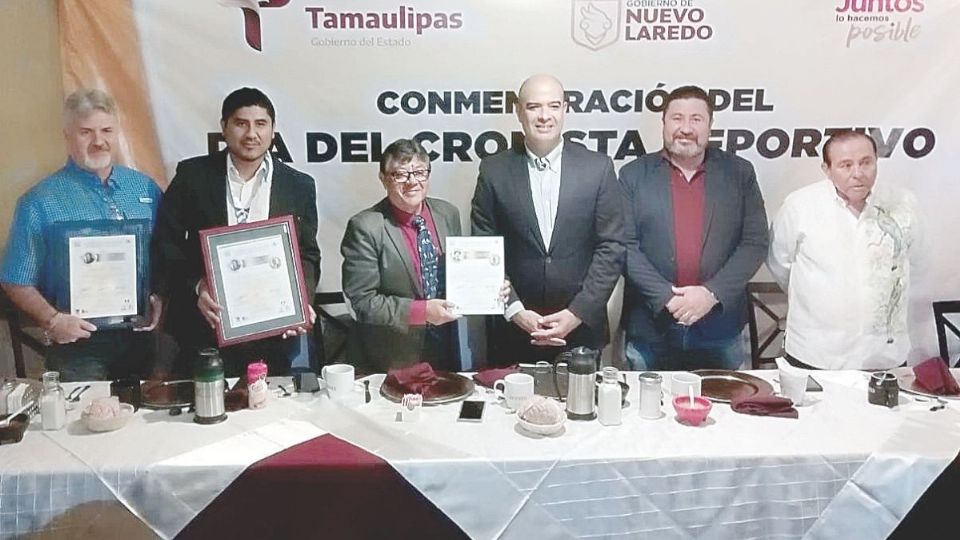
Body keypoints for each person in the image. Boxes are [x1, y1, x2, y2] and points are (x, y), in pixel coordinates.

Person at [152, 87, 319, 377]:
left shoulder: (299, 185)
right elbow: (167, 244)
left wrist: (300, 301)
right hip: (206, 327)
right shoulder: (193, 176)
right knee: (206, 401)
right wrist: (197, 286)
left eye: (260, 124)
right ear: (224, 127)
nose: (251, 134)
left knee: (268, 402)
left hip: (273, 331)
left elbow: (307, 253)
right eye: (241, 123)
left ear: (273, 130)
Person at [0, 89, 162, 381]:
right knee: (85, 411)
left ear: (117, 133)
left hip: (142, 337)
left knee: (145, 410)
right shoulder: (39, 202)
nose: (98, 141)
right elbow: (15, 279)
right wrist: (52, 320)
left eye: (106, 130)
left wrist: (160, 297)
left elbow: (167, 253)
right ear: (67, 136)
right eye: (86, 132)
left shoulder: (145, 189)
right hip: (77, 344)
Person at [471, 74, 625, 365]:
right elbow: (483, 246)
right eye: (534, 107)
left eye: (553, 106)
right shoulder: (493, 171)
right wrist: (515, 311)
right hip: (513, 333)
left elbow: (612, 246)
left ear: (565, 109)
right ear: (518, 111)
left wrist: (577, 313)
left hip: (580, 332)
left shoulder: (598, 168)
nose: (544, 116)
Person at [620, 85, 768, 371]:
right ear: (664, 123)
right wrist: (665, 297)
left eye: (696, 119)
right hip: (652, 327)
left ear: (710, 125)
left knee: (723, 401)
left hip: (720, 328)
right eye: (677, 118)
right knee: (646, 400)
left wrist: (711, 294)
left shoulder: (739, 173)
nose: (686, 129)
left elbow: (755, 242)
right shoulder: (633, 175)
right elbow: (624, 245)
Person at [767, 130, 920, 370]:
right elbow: (780, 263)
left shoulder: (903, 203)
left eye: (866, 162)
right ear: (827, 169)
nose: (858, 173)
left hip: (885, 356)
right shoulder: (800, 206)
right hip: (816, 354)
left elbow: (918, 260)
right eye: (846, 165)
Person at [340, 139, 463, 372]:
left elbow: (459, 274)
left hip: (447, 351)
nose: (412, 181)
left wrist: (488, 286)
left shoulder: (448, 213)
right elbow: (362, 302)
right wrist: (422, 312)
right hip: (391, 359)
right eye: (400, 174)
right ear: (383, 178)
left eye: (419, 172)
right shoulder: (366, 226)